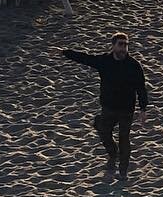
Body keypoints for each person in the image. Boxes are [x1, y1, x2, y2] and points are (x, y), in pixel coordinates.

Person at [62, 32, 148, 180]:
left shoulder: (134, 65)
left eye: (126, 45)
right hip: (108, 107)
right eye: (120, 45)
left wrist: (143, 109)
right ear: (113, 46)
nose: (123, 48)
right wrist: (64, 52)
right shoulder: (105, 61)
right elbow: (85, 58)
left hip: (126, 109)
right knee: (102, 130)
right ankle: (112, 153)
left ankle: (123, 172)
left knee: (124, 139)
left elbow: (141, 87)